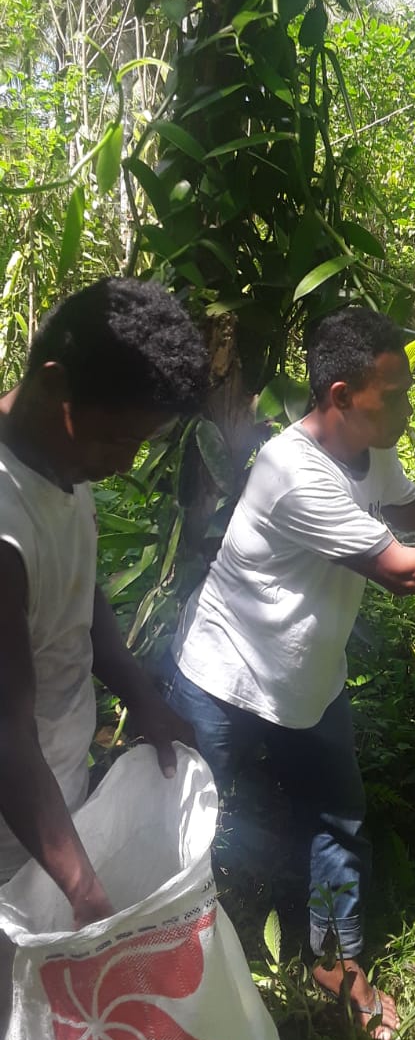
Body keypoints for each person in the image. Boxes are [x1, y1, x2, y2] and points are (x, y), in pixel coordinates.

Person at [163, 306, 415, 1040]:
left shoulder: (365, 447)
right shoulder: (294, 472)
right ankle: (174, 978)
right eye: (397, 393)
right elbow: (404, 572)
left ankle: (333, 964)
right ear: (342, 393)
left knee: (338, 823)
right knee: (195, 827)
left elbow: (414, 511)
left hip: (308, 681)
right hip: (223, 679)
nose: (410, 406)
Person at [0, 277, 209, 933]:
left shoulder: (59, 462)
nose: (125, 463)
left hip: (54, 795)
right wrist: (83, 889)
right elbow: (4, 733)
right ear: (56, 385)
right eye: (116, 440)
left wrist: (138, 692)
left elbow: (77, 592)